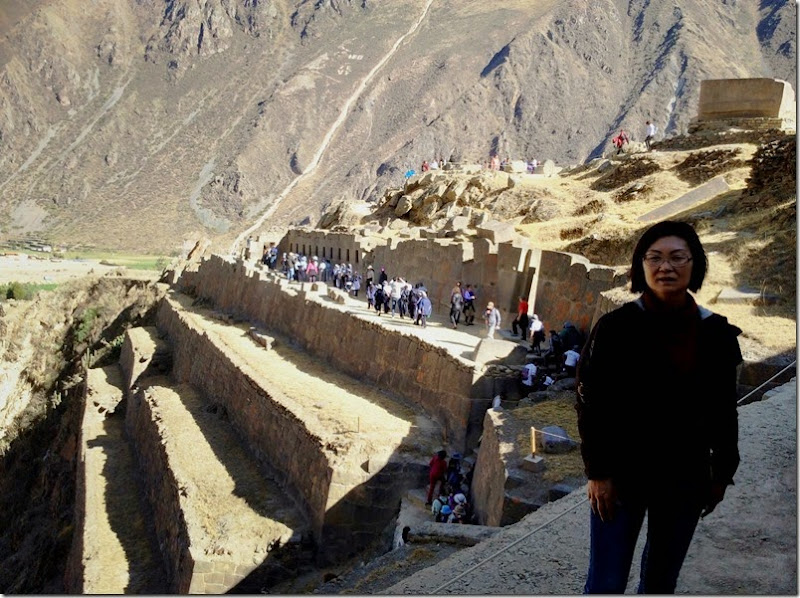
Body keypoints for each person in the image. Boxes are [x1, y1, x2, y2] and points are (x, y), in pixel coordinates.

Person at [575, 220, 742, 594]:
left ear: (694, 265)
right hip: (621, 476)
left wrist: (721, 471)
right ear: (641, 266)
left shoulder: (716, 334)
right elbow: (590, 401)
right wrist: (598, 472)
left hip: (686, 477)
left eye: (677, 257)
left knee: (661, 582)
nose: (665, 267)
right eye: (655, 257)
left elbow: (723, 410)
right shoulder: (616, 328)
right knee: (605, 581)